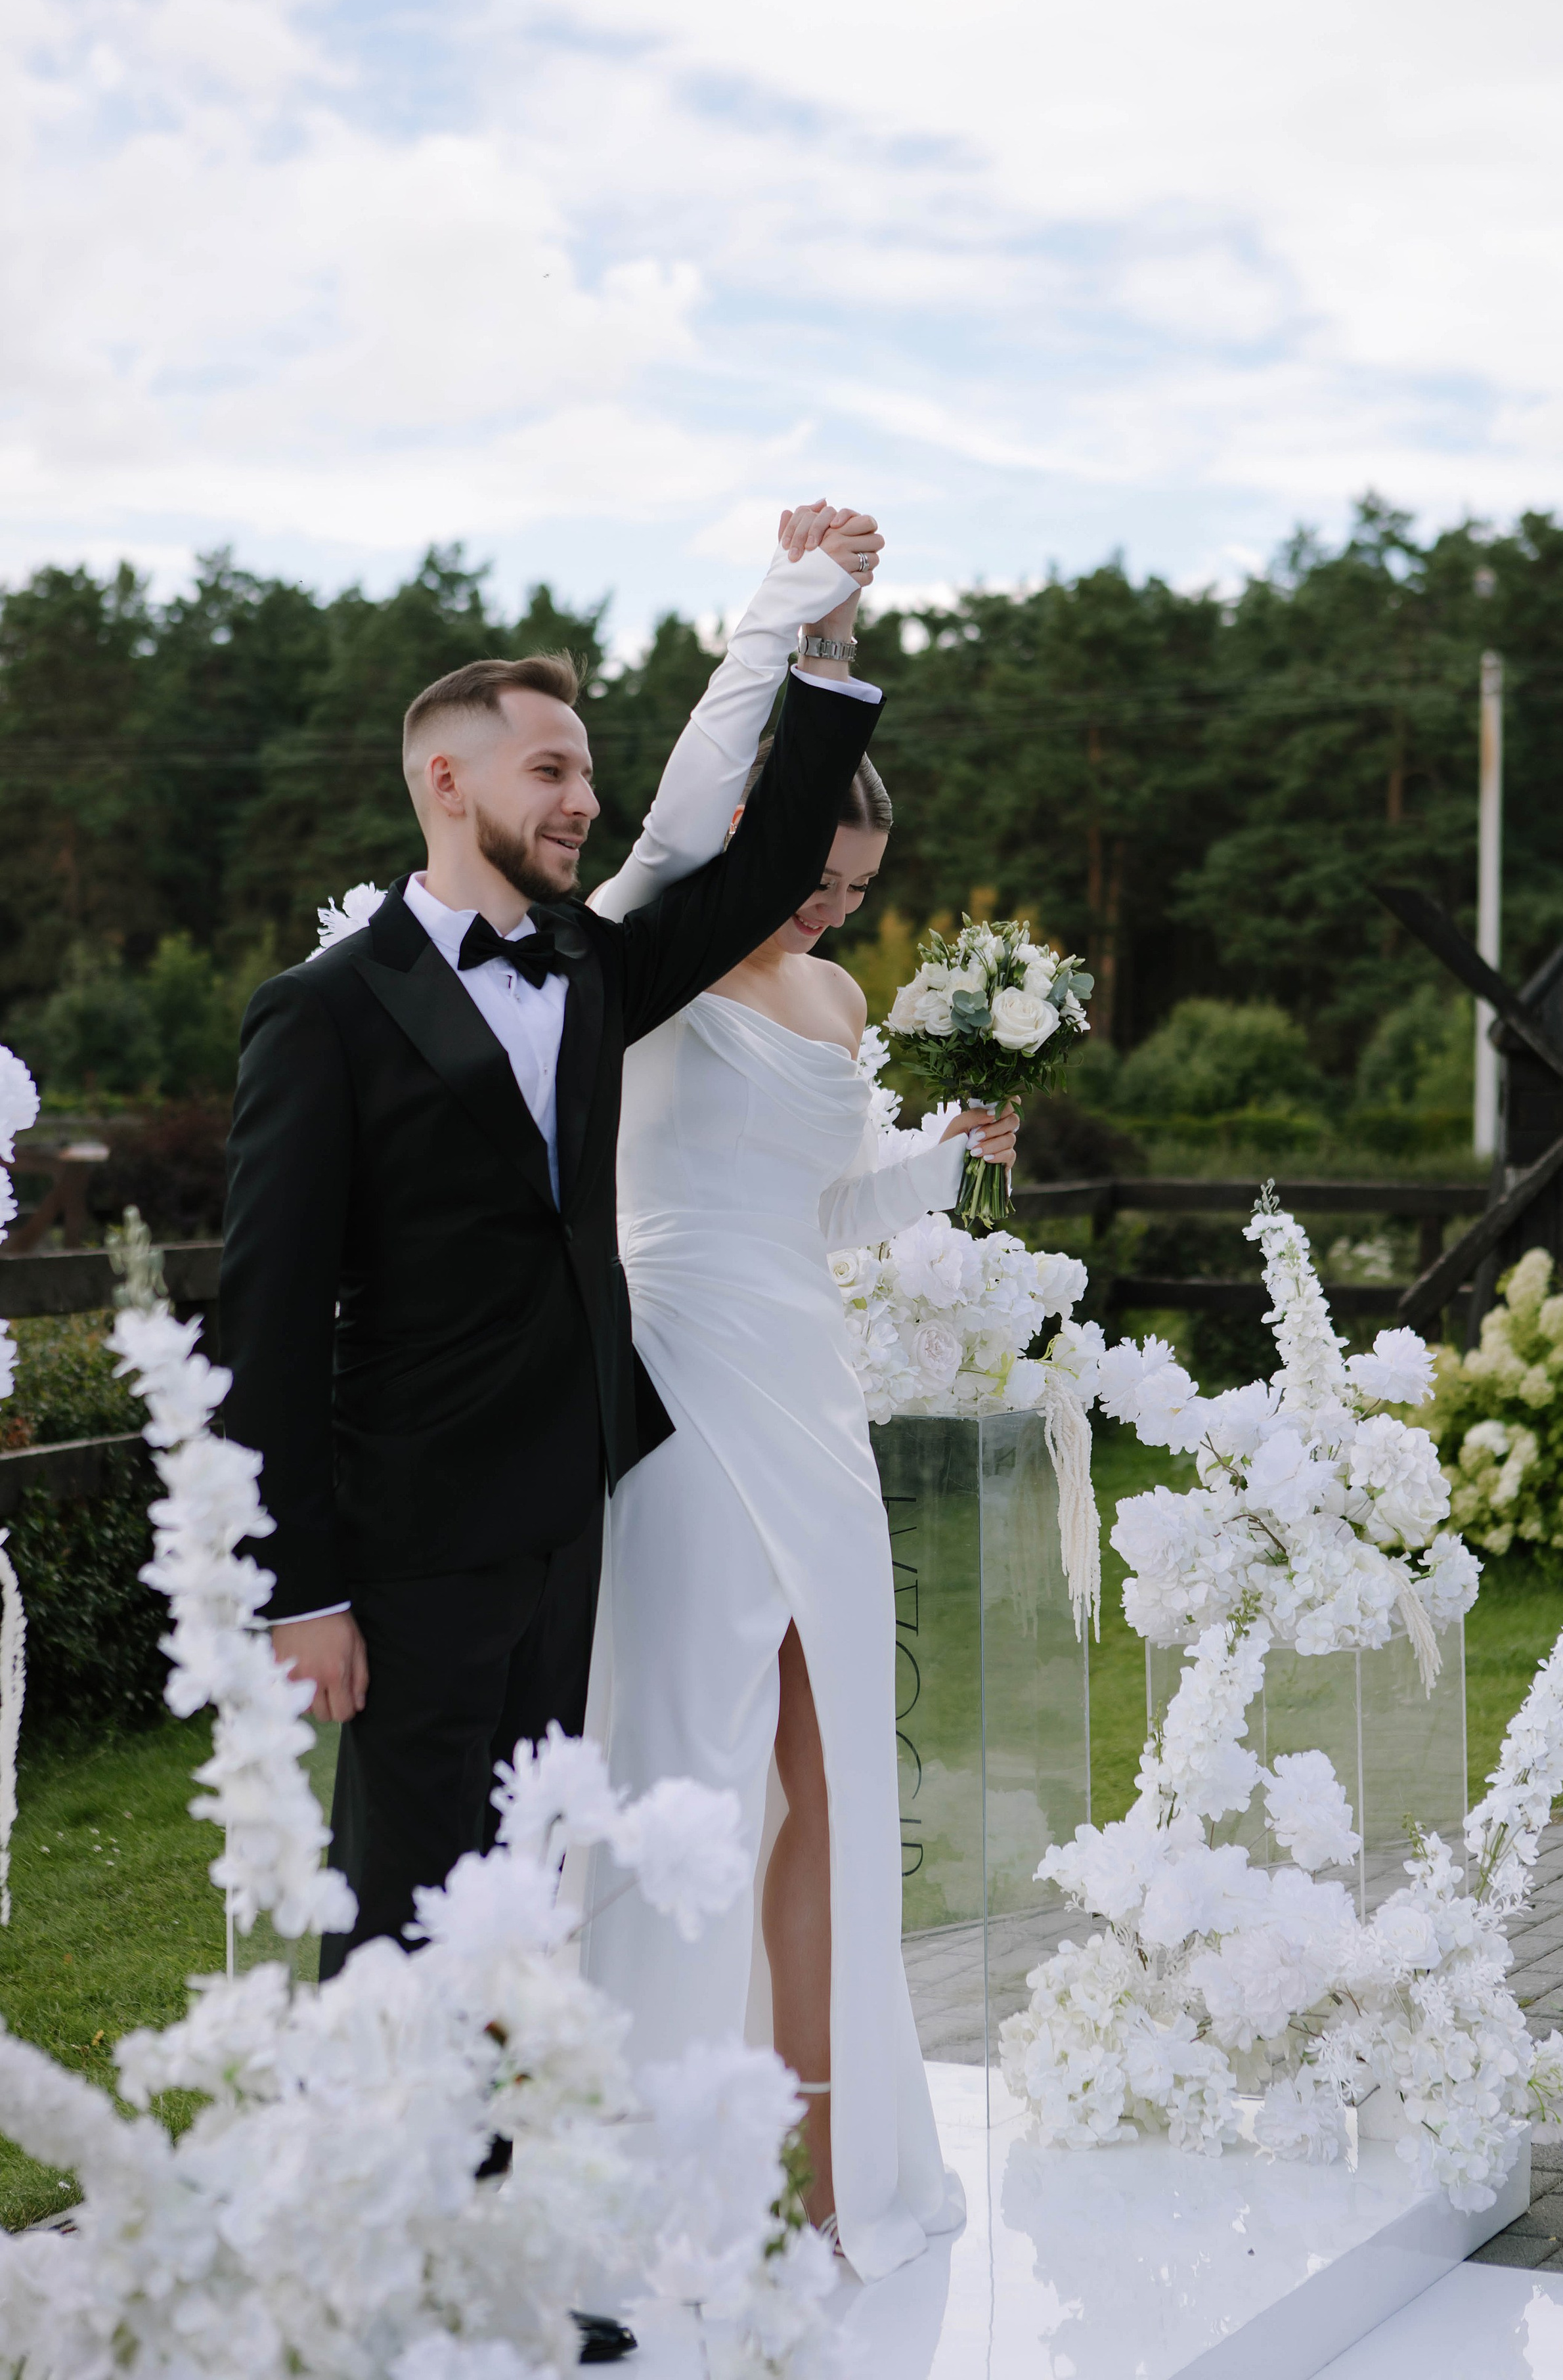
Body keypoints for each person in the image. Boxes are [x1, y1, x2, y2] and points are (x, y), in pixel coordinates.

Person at [217, 502, 887, 1997]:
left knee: (531, 1893)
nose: (585, 800)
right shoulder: (320, 1013)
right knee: (401, 1901)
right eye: (553, 771)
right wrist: (299, 1589)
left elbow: (767, 842)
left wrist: (821, 636)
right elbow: (261, 1317)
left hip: (578, 1513)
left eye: (586, 771)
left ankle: (508, 2206)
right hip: (407, 1535)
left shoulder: (592, 965)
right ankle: (385, 2210)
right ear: (446, 784)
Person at [581, 521, 1019, 2280]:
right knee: (685, 1760)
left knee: (832, 1774)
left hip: (809, 1393)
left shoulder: (840, 999)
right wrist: (796, 617)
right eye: (813, 874)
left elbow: (824, 1212)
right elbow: (694, 795)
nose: (828, 909)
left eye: (849, 888)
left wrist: (944, 1160)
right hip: (679, 1378)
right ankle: (654, 2188)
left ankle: (839, 2184)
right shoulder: (645, 952)